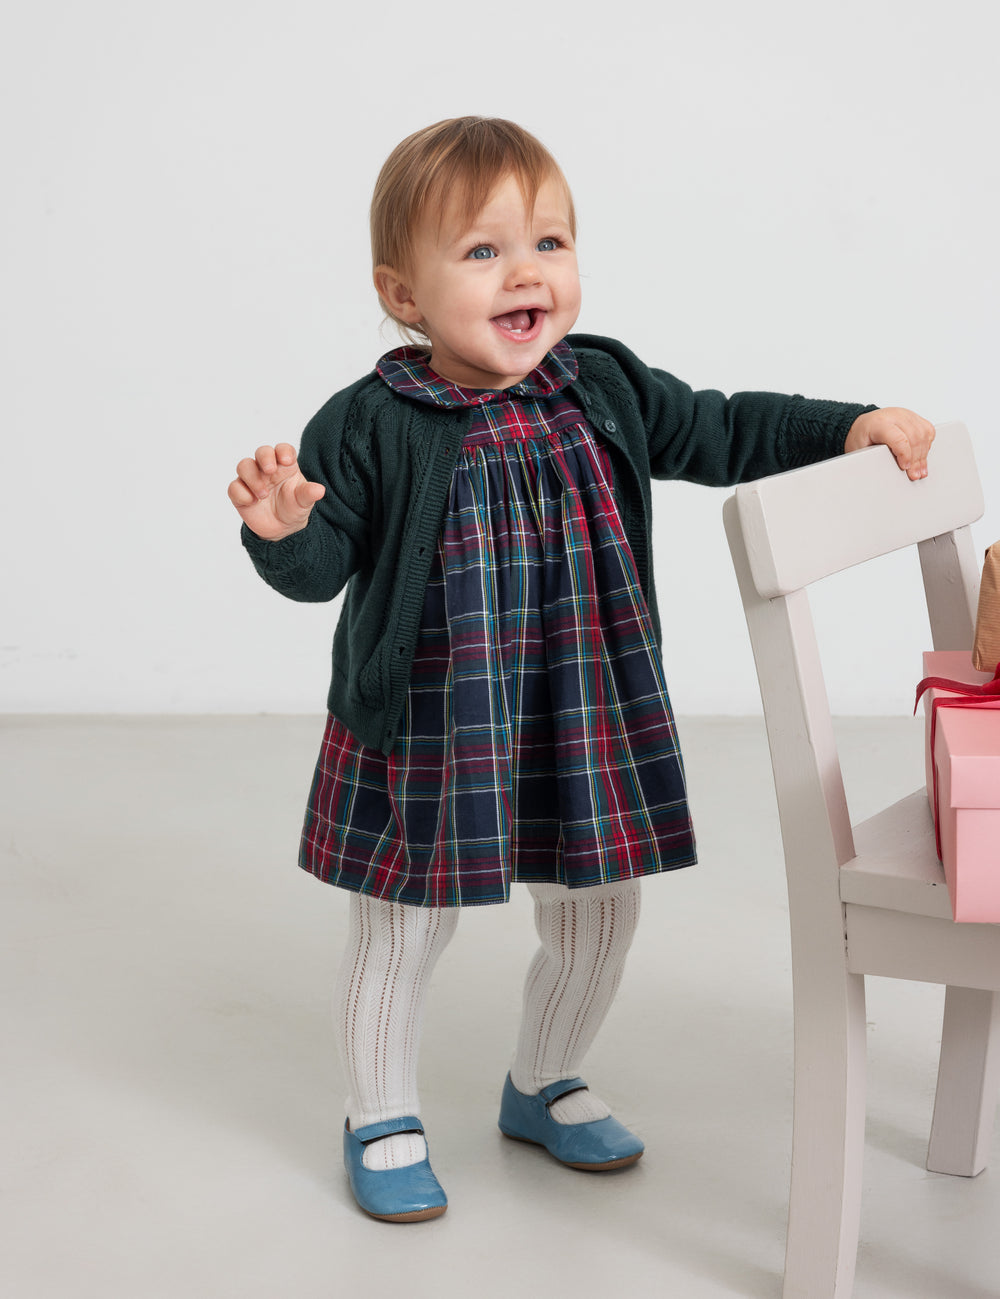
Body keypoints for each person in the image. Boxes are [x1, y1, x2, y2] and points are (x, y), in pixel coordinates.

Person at [228, 117, 934, 1224]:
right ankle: (381, 1112)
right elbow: (322, 567)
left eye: (549, 243)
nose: (527, 273)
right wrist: (282, 531)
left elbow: (720, 428)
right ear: (403, 293)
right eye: (482, 251)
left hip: (583, 708)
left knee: (598, 909)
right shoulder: (370, 422)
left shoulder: (600, 385)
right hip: (435, 725)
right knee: (403, 924)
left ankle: (545, 1078)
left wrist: (845, 426)